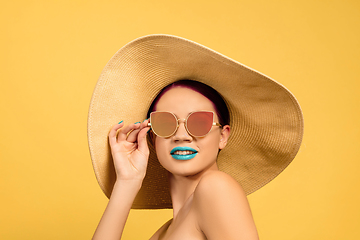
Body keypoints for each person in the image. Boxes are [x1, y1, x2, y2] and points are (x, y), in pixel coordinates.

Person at [88, 35, 304, 240]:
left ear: (223, 136)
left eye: (199, 122)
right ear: (152, 138)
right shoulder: (164, 232)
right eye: (166, 123)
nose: (182, 135)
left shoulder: (217, 187)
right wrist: (127, 182)